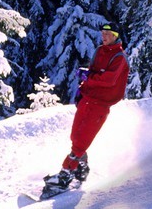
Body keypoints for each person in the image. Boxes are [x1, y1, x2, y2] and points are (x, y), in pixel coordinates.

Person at [45, 22, 129, 193]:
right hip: (88, 99)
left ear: (116, 36)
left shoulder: (119, 57)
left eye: (108, 34)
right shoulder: (99, 50)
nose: (104, 36)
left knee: (82, 140)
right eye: (103, 33)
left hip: (100, 104)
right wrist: (83, 86)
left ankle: (65, 175)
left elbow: (109, 80)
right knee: (75, 136)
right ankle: (81, 168)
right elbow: (94, 72)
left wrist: (89, 77)